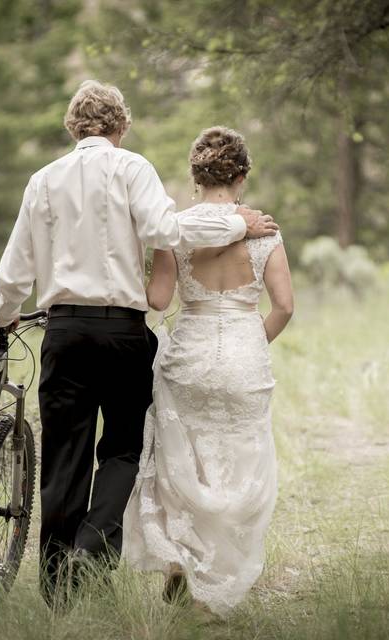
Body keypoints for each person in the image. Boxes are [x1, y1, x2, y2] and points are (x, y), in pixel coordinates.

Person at [0, 81, 279, 602]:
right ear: (120, 127)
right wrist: (235, 222)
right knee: (123, 448)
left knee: (63, 457)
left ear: (72, 128)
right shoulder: (133, 168)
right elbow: (165, 233)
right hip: (123, 332)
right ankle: (94, 548)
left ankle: (58, 589)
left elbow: (15, 267)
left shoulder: (43, 181)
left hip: (64, 330)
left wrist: (4, 314)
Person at [122, 126, 294, 615]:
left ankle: (179, 557)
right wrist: (247, 343)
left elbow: (157, 299)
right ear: (240, 176)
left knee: (183, 460)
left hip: (189, 353)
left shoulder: (174, 228)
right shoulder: (263, 230)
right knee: (240, 463)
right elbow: (283, 305)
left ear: (196, 177)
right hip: (243, 350)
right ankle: (212, 591)